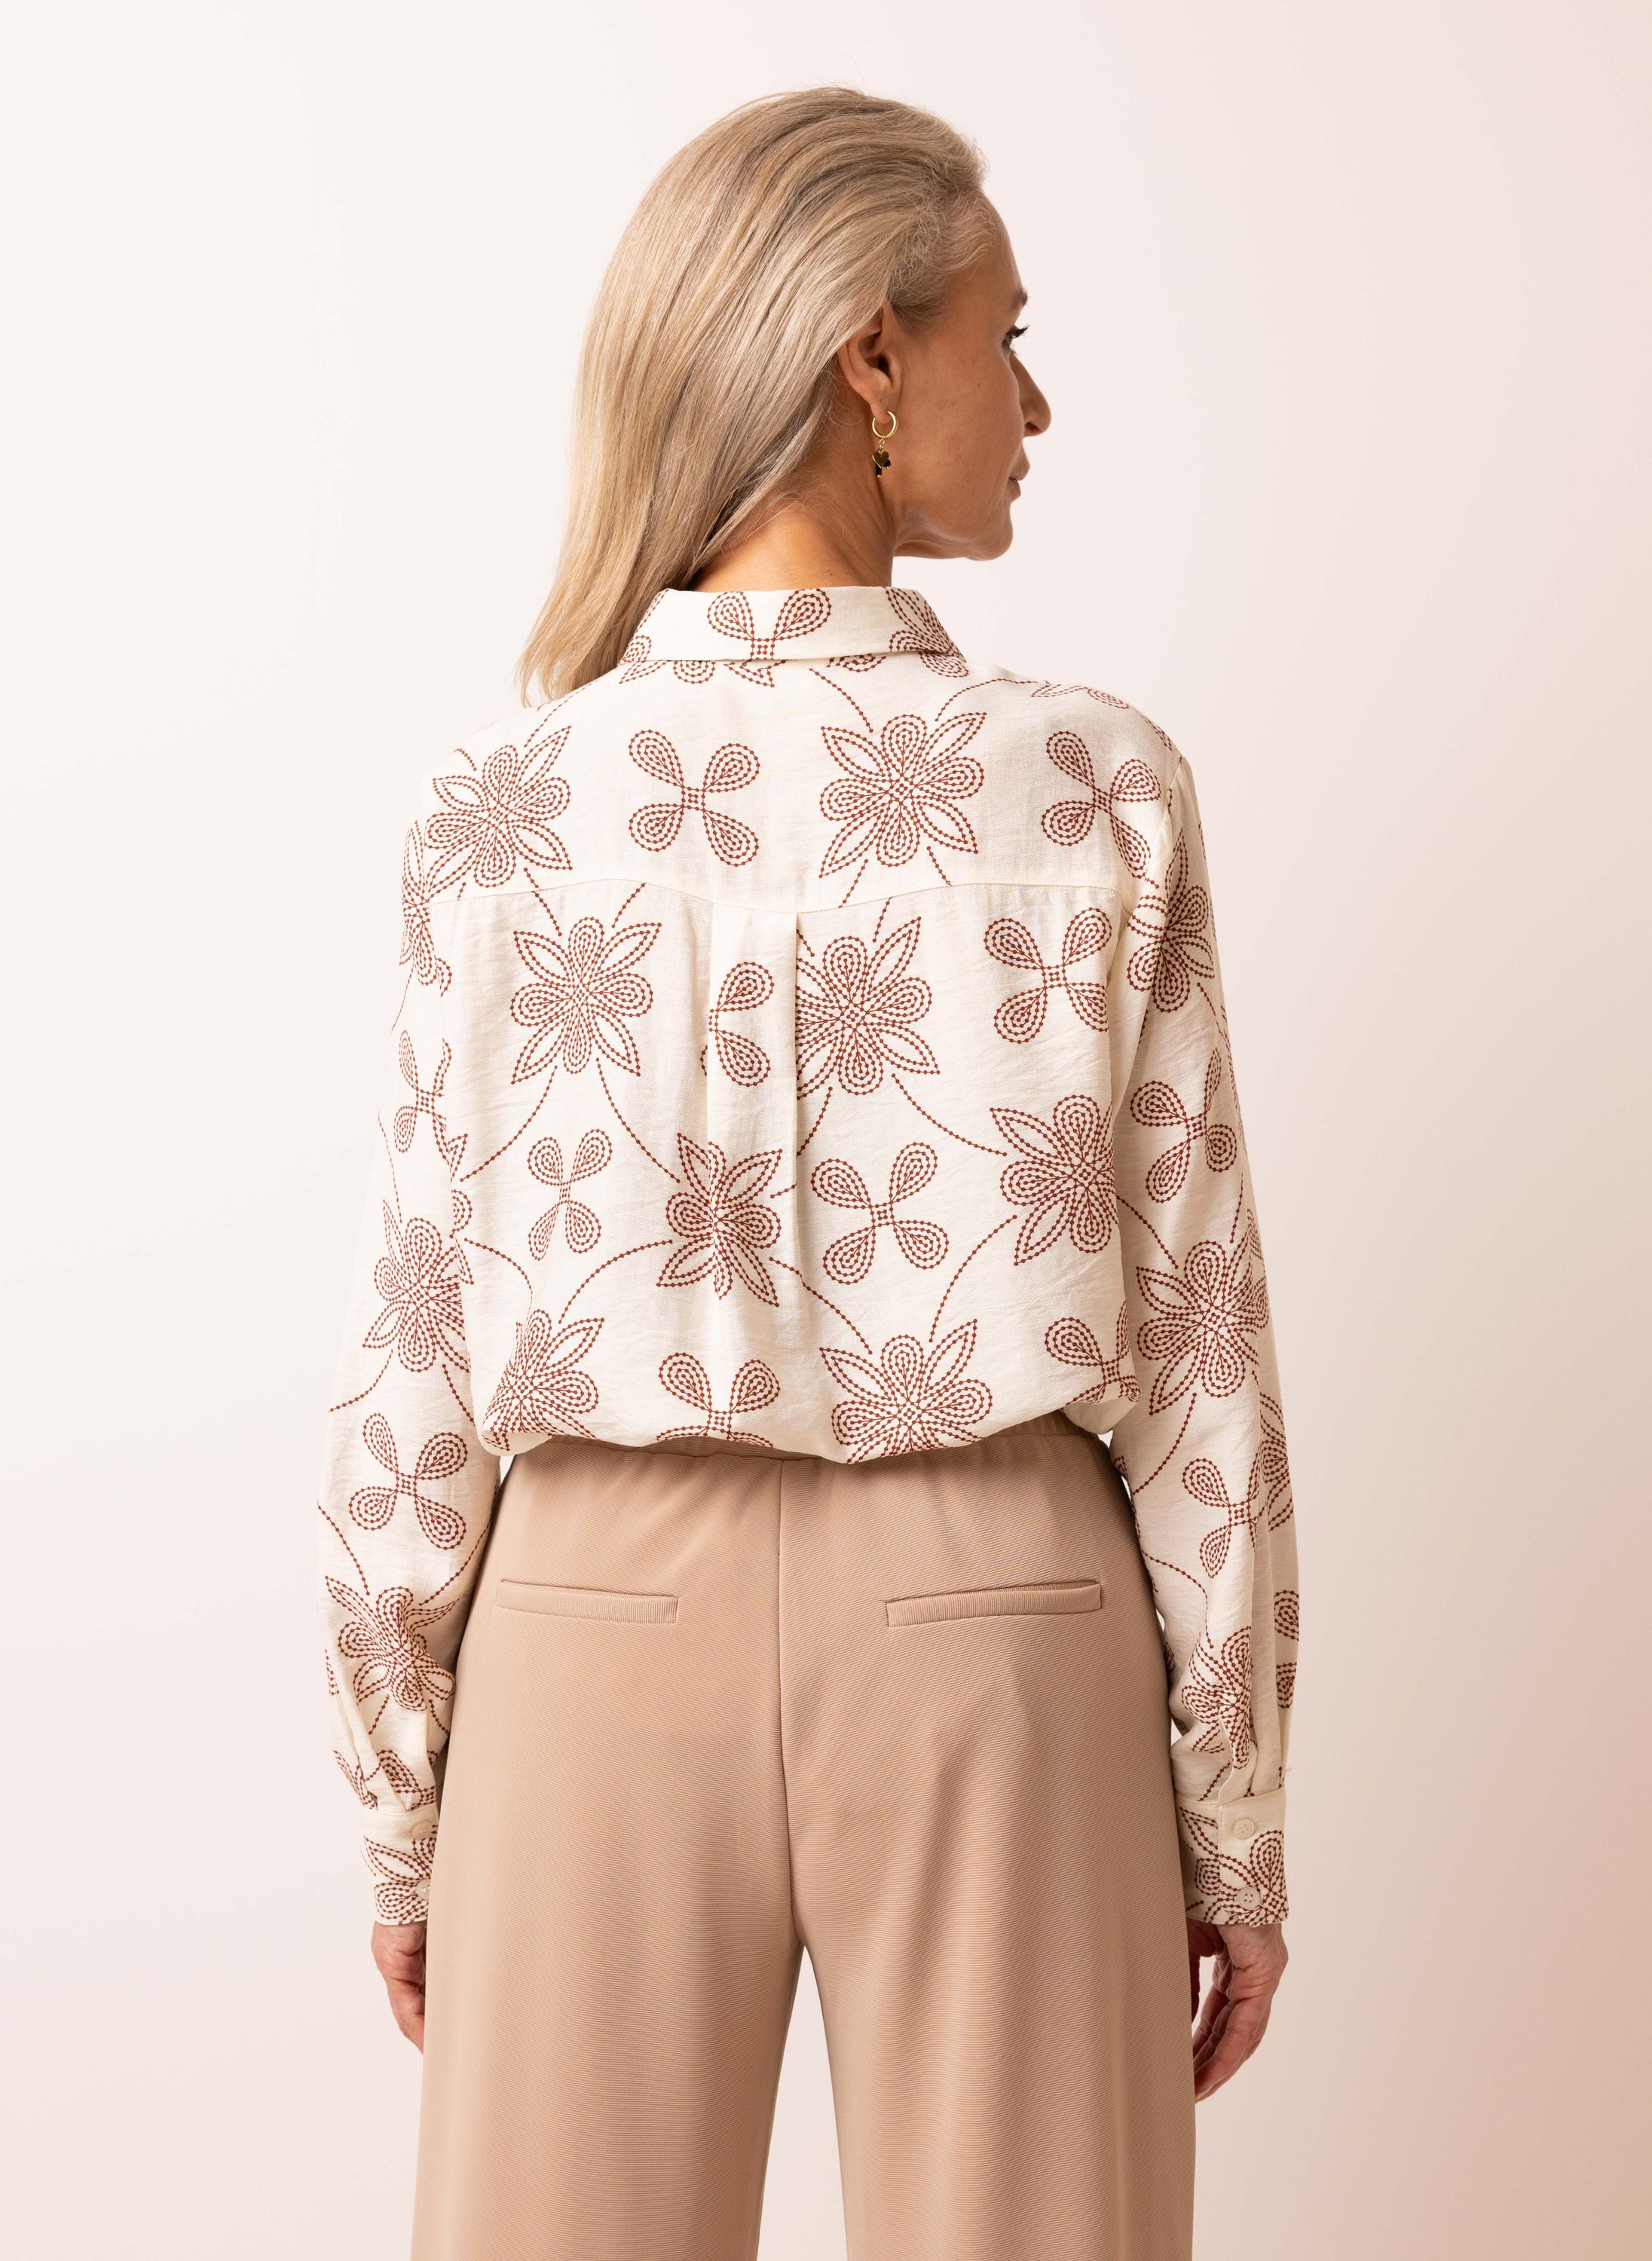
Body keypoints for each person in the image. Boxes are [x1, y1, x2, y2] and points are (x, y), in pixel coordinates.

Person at [314, 84, 1299, 2261]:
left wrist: (404, 1796)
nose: (1032, 403)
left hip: (590, 1623)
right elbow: (1198, 1347)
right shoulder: (1094, 786)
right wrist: (1231, 1812)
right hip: (1002, 1623)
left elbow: (415, 1345)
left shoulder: (500, 807)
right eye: (1004, 338)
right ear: (871, 353)